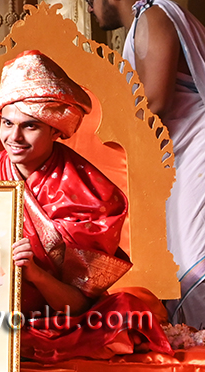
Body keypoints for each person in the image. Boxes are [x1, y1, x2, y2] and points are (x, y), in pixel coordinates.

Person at [0, 50, 173, 362]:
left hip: (60, 319)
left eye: (30, 126)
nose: (14, 137)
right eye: (7, 123)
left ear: (56, 130)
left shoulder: (92, 196)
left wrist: (36, 274)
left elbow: (78, 306)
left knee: (124, 316)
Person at [87, 0, 205, 329]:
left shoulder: (153, 15)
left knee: (191, 260)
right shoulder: (146, 20)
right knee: (177, 261)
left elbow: (155, 103)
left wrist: (95, 132)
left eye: (89, 1)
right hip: (177, 158)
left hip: (197, 151)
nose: (90, 10)